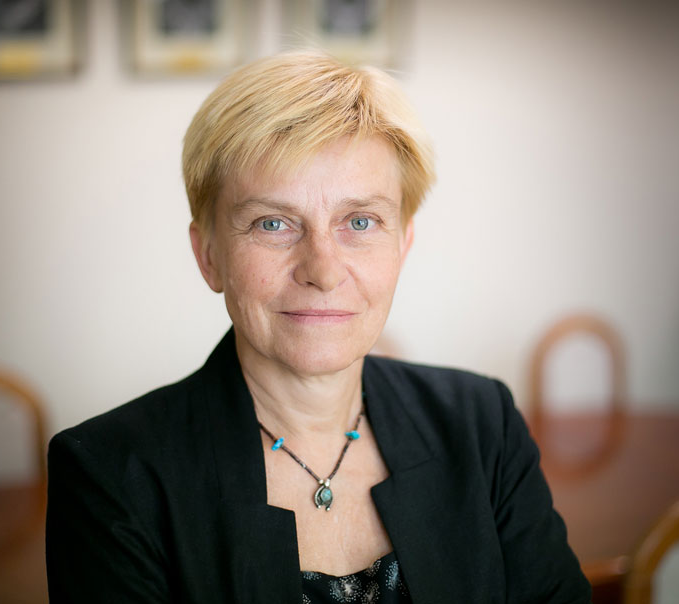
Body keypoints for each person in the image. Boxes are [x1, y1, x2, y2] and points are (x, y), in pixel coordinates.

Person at [46, 50, 591, 603]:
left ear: (403, 245)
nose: (323, 270)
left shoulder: (483, 425)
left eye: (360, 221)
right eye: (274, 223)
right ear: (208, 254)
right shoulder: (109, 475)